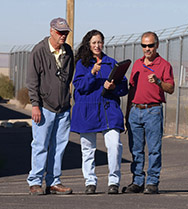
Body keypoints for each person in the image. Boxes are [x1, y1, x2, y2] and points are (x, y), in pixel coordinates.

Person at [71, 30, 128, 194]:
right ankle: (90, 181)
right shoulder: (83, 64)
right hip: (87, 111)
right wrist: (92, 73)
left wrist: (114, 87)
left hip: (108, 110)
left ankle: (114, 181)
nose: (97, 45)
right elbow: (80, 86)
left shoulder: (111, 63)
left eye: (100, 42)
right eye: (94, 42)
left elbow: (124, 87)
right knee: (88, 149)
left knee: (114, 145)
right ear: (88, 44)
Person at [26, 17, 74, 195]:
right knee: (40, 145)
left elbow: (68, 78)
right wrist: (35, 105)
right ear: (51, 31)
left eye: (66, 33)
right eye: (60, 32)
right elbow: (32, 81)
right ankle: (35, 181)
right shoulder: (39, 51)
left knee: (59, 146)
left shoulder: (68, 51)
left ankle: (54, 181)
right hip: (44, 107)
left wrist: (67, 101)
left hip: (63, 107)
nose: (63, 36)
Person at [123, 31, 175, 194]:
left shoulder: (164, 65)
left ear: (157, 45)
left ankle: (152, 181)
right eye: (144, 46)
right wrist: (127, 114)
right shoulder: (137, 64)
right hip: (135, 110)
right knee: (136, 149)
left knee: (154, 148)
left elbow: (171, 88)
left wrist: (159, 82)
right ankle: (137, 180)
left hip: (153, 110)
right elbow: (132, 90)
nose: (147, 49)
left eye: (150, 45)